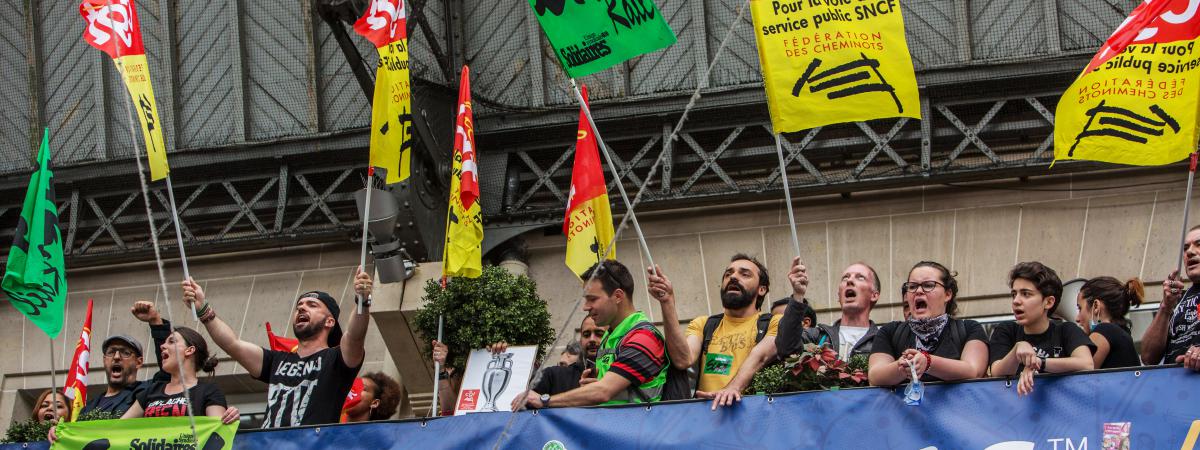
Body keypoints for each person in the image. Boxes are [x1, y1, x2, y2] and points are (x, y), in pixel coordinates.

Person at [181, 268, 374, 427]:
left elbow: (355, 336)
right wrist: (203, 309)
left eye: (312, 305)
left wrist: (362, 301)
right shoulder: (277, 360)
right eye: (299, 305)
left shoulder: (337, 359)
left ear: (330, 321)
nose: (302, 308)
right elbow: (232, 344)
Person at [707, 260, 881, 409]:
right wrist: (798, 296)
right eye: (845, 278)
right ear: (838, 295)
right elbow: (785, 348)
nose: (850, 281)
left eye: (860, 277)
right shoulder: (817, 335)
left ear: (874, 295)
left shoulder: (884, 338)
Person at [514, 260, 669, 408]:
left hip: (637, 431)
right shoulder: (610, 336)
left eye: (592, 299)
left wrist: (544, 400)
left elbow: (603, 392)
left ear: (618, 296)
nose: (585, 307)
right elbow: (608, 393)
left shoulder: (644, 336)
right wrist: (590, 388)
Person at [651, 254, 782, 397]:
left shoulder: (774, 323)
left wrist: (732, 389)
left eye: (744, 274)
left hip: (751, 414)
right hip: (707, 414)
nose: (733, 277)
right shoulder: (703, 324)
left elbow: (761, 356)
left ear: (761, 289)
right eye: (728, 274)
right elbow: (683, 360)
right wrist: (667, 302)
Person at [869, 261, 988, 386]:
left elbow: (974, 371)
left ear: (948, 294)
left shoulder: (969, 329)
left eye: (928, 285)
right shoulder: (890, 332)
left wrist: (928, 362)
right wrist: (904, 366)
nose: (918, 291)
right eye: (912, 286)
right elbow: (874, 376)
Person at [989, 262, 1094, 396]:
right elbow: (997, 371)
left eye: (1026, 294)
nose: (1016, 300)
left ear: (1049, 302)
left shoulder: (1066, 330)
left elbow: (1086, 364)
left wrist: (1039, 363)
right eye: (1014, 294)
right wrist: (1018, 348)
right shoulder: (1006, 330)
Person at [79, 301, 173, 416]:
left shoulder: (148, 392)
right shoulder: (89, 408)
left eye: (125, 353)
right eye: (111, 352)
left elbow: (169, 373)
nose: (117, 357)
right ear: (104, 360)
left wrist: (156, 322)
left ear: (139, 362)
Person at [121, 327, 232, 420]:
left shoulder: (209, 391)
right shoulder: (151, 391)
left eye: (172, 341)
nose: (162, 346)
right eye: (164, 342)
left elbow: (217, 433)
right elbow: (118, 429)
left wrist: (230, 417)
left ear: (189, 350)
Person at [1143, 225, 1200, 371]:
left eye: (1198, 244)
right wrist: (1166, 307)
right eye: (1186, 248)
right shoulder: (1179, 299)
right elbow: (1148, 357)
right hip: (1174, 387)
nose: (1190, 252)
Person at [1077, 276, 1144, 369]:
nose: (1077, 318)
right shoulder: (1120, 332)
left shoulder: (1104, 330)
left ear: (1096, 306)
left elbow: (1079, 376)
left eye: (1080, 308)